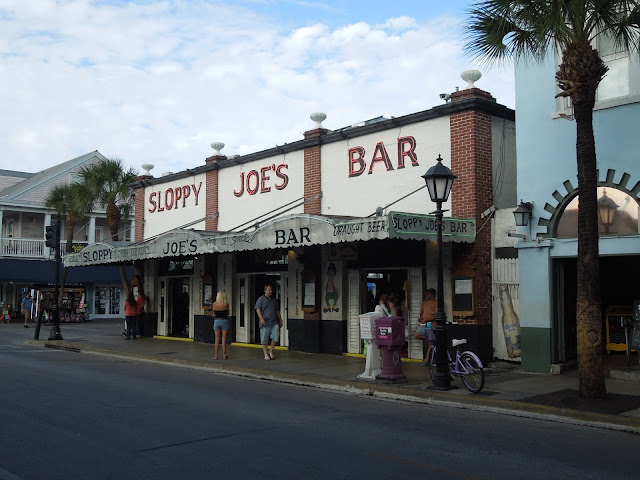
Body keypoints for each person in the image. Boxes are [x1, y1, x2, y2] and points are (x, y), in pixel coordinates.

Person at [255, 284, 282, 360]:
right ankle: (265, 354)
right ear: (265, 291)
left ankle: (271, 351)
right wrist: (261, 319)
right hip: (265, 322)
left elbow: (277, 311)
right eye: (269, 290)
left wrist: (280, 319)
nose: (270, 291)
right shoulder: (260, 299)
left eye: (271, 290)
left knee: (276, 337)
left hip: (274, 322)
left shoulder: (274, 300)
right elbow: (258, 309)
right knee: (264, 339)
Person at [416, 288, 437, 366]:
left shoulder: (436, 302)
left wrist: (427, 319)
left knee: (431, 342)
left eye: (428, 293)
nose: (426, 295)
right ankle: (429, 339)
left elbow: (436, 314)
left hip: (432, 324)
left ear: (432, 295)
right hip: (424, 324)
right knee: (417, 335)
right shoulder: (424, 302)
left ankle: (427, 359)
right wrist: (421, 318)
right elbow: (422, 312)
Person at [212, 291, 231, 360]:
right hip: (224, 321)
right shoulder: (226, 304)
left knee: (217, 339)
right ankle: (224, 355)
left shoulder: (214, 304)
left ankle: (216, 355)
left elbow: (213, 314)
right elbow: (228, 313)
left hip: (217, 321)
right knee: (224, 338)